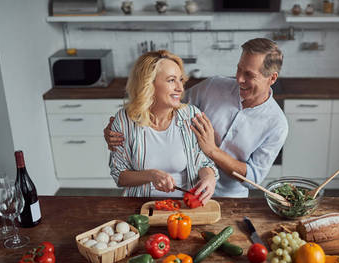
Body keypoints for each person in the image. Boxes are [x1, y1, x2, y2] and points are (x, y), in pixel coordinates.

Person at [106, 38, 288, 197]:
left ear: (272, 78)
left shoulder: (277, 124)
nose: (239, 78)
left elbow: (253, 179)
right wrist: (119, 128)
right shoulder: (212, 86)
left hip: (229, 197)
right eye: (238, 69)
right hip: (188, 193)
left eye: (249, 75)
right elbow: (166, 101)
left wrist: (212, 151)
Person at [109, 50, 218, 203]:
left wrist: (209, 178)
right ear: (148, 84)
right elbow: (119, 175)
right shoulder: (124, 120)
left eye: (180, 80)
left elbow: (204, 163)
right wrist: (151, 175)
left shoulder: (191, 116)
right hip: (141, 207)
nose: (180, 88)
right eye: (171, 80)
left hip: (184, 207)